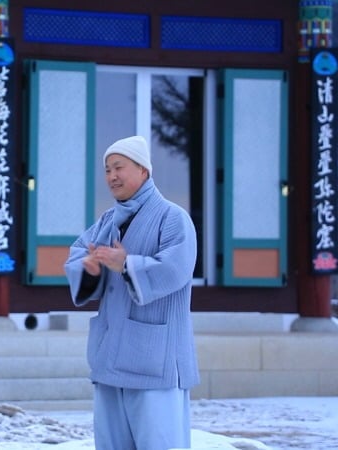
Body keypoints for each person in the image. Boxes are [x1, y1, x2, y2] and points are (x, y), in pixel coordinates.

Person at [64, 135, 199, 450]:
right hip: (110, 356)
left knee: (159, 443)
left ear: (143, 170)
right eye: (107, 170)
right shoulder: (107, 221)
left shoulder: (173, 218)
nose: (112, 176)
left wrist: (127, 264)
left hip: (156, 360)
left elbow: (175, 270)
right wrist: (91, 269)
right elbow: (79, 252)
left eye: (119, 167)